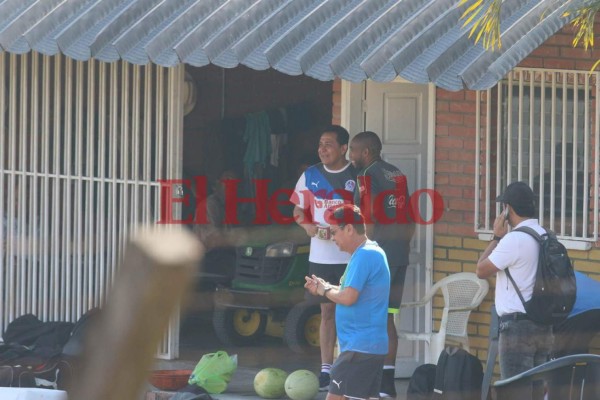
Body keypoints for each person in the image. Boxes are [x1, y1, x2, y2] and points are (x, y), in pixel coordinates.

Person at [290, 125, 357, 390]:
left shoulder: (356, 176)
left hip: (349, 256)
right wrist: (306, 225)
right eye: (320, 143)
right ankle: (326, 370)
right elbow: (298, 210)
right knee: (327, 312)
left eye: (329, 144)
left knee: (350, 312)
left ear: (343, 149)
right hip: (321, 257)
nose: (323, 149)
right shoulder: (311, 175)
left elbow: (368, 214)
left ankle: (349, 367)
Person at [348, 131, 414, 398]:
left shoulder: (366, 175)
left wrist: (365, 248)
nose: (350, 156)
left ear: (366, 152)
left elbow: (368, 216)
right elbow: (410, 217)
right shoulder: (396, 173)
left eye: (353, 150)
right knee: (387, 316)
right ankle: (387, 383)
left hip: (377, 257)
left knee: (366, 316)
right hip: (399, 255)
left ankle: (365, 379)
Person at [304, 204, 390, 400]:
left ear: (349, 228)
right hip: (365, 348)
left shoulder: (366, 255)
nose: (332, 238)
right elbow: (347, 292)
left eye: (335, 232)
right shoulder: (365, 253)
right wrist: (323, 287)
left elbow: (349, 298)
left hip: (359, 349)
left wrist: (325, 290)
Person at [476, 181, 553, 399]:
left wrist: (496, 238)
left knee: (515, 393)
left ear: (508, 209)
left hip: (517, 329)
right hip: (543, 327)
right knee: (537, 393)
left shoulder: (514, 240)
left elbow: (481, 269)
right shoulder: (545, 235)